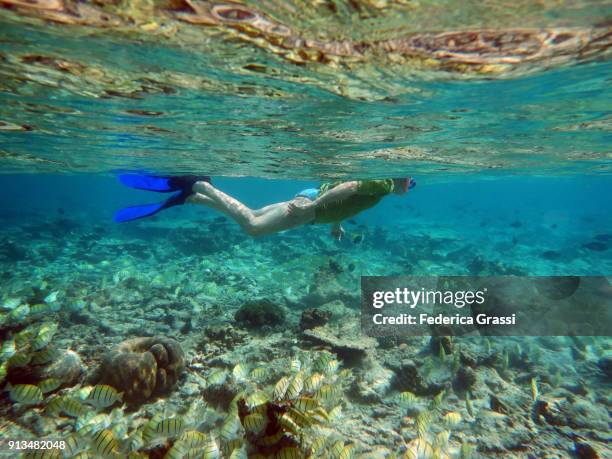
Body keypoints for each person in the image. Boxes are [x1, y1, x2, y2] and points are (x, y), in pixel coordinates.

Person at [114, 175, 415, 240]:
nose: (409, 187)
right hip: (311, 207)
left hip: (314, 205)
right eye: (411, 182)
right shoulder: (388, 182)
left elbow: (349, 199)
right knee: (255, 227)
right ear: (403, 178)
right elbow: (348, 187)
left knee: (255, 216)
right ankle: (203, 187)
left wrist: (336, 224)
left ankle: (200, 198)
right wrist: (315, 206)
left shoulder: (384, 185)